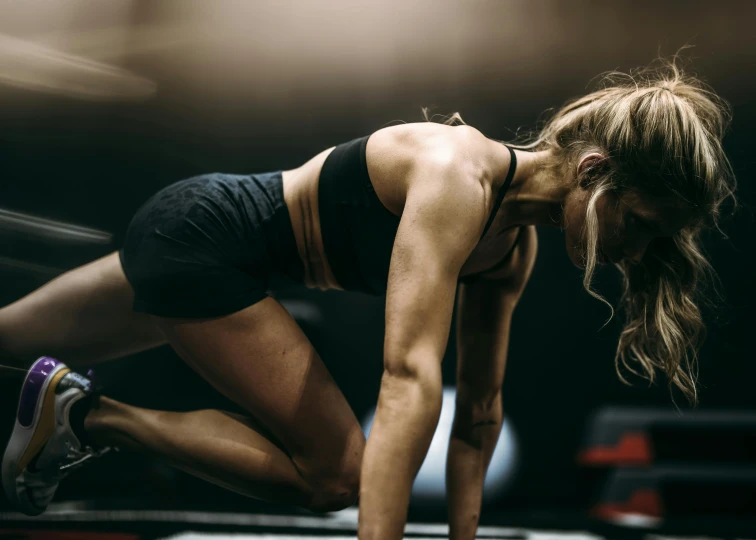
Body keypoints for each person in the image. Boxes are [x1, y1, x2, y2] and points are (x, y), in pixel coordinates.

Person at [0, 57, 736, 540]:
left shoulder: (513, 247)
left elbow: (478, 411)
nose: (634, 252)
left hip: (199, 240)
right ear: (595, 170)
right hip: (205, 238)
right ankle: (90, 415)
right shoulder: (458, 175)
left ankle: (70, 408)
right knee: (335, 476)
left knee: (6, 338)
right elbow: (410, 377)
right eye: (637, 223)